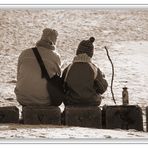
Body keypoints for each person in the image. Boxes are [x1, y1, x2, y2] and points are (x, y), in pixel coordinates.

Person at [15, 28, 62, 106]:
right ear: (54, 41)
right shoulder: (55, 56)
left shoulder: (24, 53)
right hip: (44, 100)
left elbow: (18, 76)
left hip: (22, 98)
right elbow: (58, 77)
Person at [62, 37, 108, 106]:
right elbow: (103, 88)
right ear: (91, 53)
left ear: (78, 52)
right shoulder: (94, 68)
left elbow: (63, 87)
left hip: (72, 102)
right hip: (91, 102)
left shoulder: (69, 68)